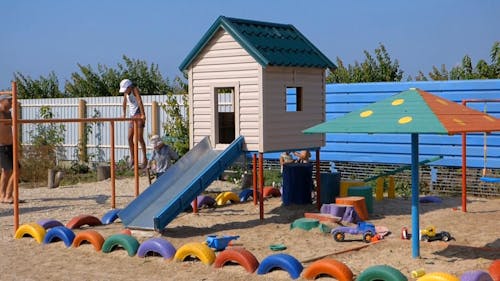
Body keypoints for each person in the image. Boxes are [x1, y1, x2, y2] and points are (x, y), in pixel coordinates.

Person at [120, 79, 147, 169]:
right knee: (129, 137)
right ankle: (133, 158)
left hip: (138, 113)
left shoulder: (134, 90)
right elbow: (124, 103)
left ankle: (144, 159)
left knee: (139, 138)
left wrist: (143, 114)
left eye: (126, 89)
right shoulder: (126, 93)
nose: (125, 91)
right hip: (132, 116)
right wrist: (123, 114)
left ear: (129, 87)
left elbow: (139, 101)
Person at [0, 94, 14, 203]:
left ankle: (5, 195)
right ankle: (6, 195)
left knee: (8, 171)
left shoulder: (8, 113)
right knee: (8, 170)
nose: (11, 103)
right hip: (2, 145)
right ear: (3, 101)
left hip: (10, 144)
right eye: (9, 101)